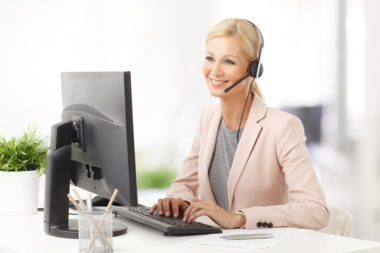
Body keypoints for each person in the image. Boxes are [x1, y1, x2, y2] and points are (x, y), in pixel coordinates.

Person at [150, 18, 330, 230]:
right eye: (210, 58)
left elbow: (316, 211)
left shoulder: (282, 127)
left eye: (228, 61)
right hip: (210, 244)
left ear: (253, 69)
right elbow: (184, 184)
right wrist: (179, 200)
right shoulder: (208, 118)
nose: (215, 71)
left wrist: (240, 218)